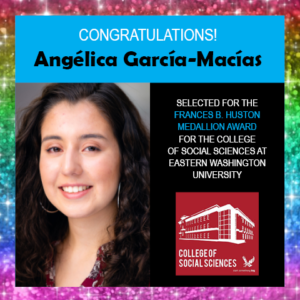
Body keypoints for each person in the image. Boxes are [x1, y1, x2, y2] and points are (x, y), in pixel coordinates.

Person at [16, 83, 150, 287]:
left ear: (126, 157)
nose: (69, 168)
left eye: (90, 148)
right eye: (54, 148)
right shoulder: (15, 258)